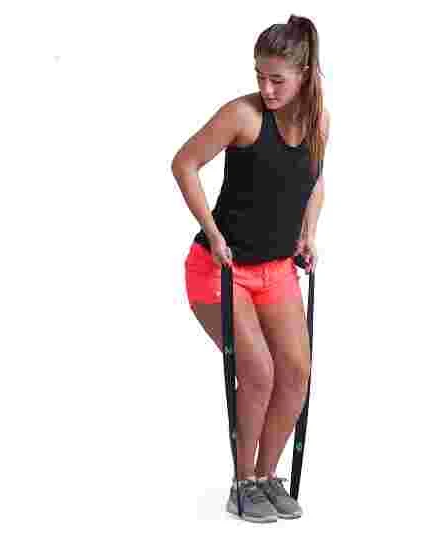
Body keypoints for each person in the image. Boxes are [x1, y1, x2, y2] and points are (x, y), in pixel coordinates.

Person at [171, 14, 330, 523]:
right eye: (260, 76)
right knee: (259, 371)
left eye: (277, 79)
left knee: (296, 372)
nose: (266, 88)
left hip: (276, 269)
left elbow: (315, 179)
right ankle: (242, 485)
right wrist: (213, 232)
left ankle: (265, 477)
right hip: (219, 269)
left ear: (305, 73)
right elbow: (183, 163)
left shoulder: (319, 122)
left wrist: (308, 233)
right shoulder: (241, 116)